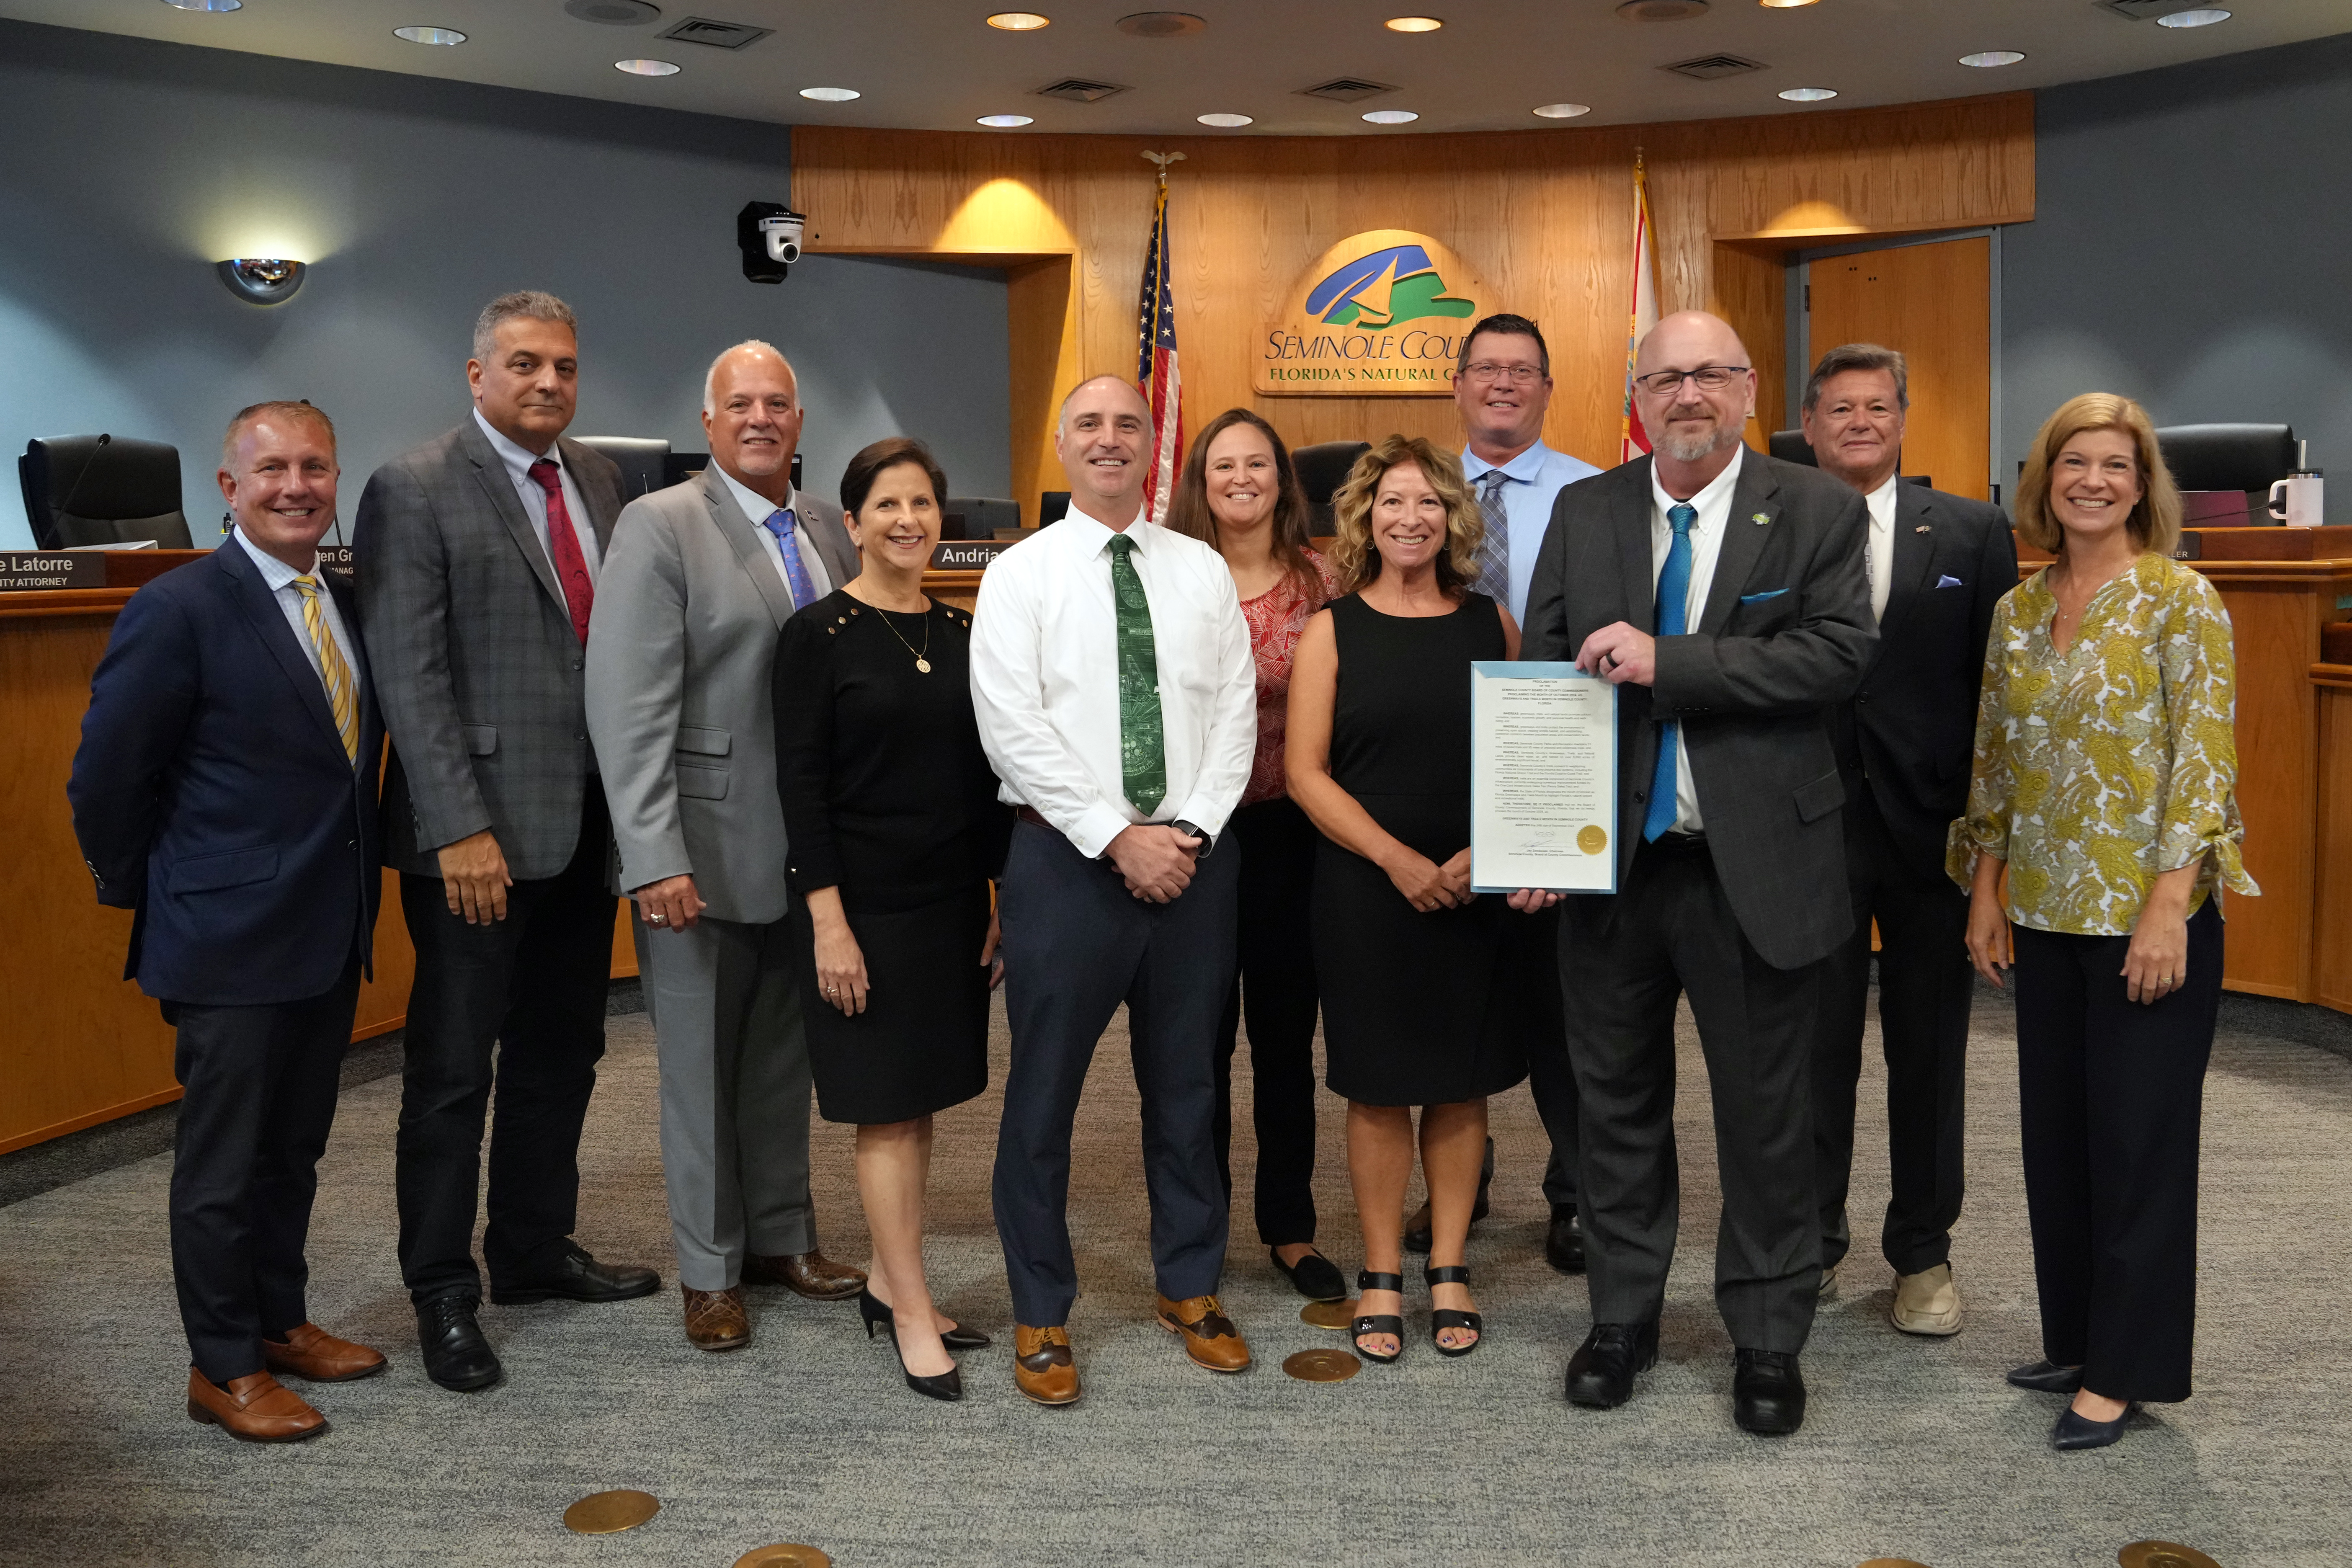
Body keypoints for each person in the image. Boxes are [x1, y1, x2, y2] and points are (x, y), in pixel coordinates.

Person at [1521, 309, 1877, 1435]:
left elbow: (1836, 654)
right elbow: (1545, 670)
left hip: (1757, 868)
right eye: (1667, 377)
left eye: (1710, 375)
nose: (1689, 395)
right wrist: (1536, 831)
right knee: (1613, 1105)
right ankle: (1622, 1316)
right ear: (1638, 394)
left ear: (1747, 387)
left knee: (1766, 1114)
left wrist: (1670, 661)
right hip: (1614, 868)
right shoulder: (1588, 512)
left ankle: (1768, 1336)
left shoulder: (1815, 504)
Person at [354, 291, 658, 1393]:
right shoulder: (414, 484)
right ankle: (442, 1291)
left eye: (566, 367)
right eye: (525, 364)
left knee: (560, 1054)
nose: (549, 384)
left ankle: (531, 1250)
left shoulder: (603, 482)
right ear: (476, 373)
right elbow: (410, 674)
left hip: (581, 831)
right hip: (472, 842)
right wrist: (457, 829)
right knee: (449, 1075)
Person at [70, 402, 387, 1442]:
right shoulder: (179, 607)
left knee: (292, 1150)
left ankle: (280, 1323)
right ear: (227, 488)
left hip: (326, 926)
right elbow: (107, 781)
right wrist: (163, 893)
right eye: (272, 470)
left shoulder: (343, 596)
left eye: (315, 467)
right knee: (222, 1167)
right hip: (225, 938)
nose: (296, 486)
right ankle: (223, 1366)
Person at [1955, 392, 2254, 1452]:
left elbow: (2203, 764)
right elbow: (1997, 759)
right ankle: (2079, 1337)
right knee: (2061, 1143)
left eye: (2116, 467)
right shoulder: (2019, 610)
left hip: (2147, 919)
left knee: (2139, 1148)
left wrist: (2171, 904)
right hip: (2043, 912)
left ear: (2142, 485)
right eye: (2074, 462)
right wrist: (1985, 890)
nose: (2093, 481)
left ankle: (2125, 1371)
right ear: (2046, 480)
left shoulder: (2182, 598)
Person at [970, 374, 1258, 1405]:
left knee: (1188, 1091)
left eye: (1127, 425)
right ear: (1061, 443)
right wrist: (1115, 837)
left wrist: (1186, 832)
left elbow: (1235, 717)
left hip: (1193, 863)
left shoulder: (1201, 573)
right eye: (1089, 424)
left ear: (1153, 443)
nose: (1108, 440)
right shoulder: (1019, 573)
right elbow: (1013, 727)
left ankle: (1190, 1283)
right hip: (1063, 866)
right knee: (1043, 1098)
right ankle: (1041, 1310)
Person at [584, 340, 867, 1355]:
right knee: (699, 1070)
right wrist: (653, 854)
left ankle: (781, 1239)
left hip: (805, 856)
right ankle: (709, 1269)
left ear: (799, 422)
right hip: (697, 854)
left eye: (778, 403)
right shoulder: (659, 526)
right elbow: (625, 705)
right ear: (707, 425)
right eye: (739, 403)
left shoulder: (831, 527)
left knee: (783, 1060)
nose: (760, 418)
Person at [775, 437, 1014, 1402]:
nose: (907, 521)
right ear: (851, 522)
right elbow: (801, 789)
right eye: (887, 506)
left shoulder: (962, 635)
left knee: (919, 1108)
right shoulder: (816, 635)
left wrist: (997, 896)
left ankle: (888, 1278)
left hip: (949, 906)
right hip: (858, 910)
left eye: (922, 504)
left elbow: (984, 782)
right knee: (882, 1113)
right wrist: (827, 921)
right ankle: (911, 1309)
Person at [1287, 435, 1533, 1364]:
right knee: (1380, 1087)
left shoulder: (1492, 626)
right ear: (1363, 517)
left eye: (1428, 502)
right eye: (1392, 502)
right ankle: (1384, 1271)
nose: (1410, 518)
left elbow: (1520, 756)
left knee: (1463, 1083)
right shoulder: (1332, 629)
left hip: (1472, 888)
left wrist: (1486, 853)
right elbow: (1307, 775)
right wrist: (1398, 860)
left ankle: (1452, 1266)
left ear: (1453, 519)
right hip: (1367, 888)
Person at [1798, 343, 2017, 1334]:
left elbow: (1996, 700)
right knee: (1813, 1048)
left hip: (1930, 835)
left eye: (1878, 406)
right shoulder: (1771, 527)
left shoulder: (1973, 533)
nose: (1859, 421)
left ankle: (1923, 1256)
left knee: (1927, 1052)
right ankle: (1809, 1240)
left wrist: (1989, 859)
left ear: (1903, 419)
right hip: (1807, 829)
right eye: (1840, 408)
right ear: (1809, 426)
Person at [1427, 311, 1604, 1274]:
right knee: (1453, 990)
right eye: (1486, 369)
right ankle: (1462, 1175)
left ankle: (1576, 1191)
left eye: (1522, 371)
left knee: (1557, 1003)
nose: (1503, 384)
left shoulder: (1597, 493)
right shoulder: (1410, 491)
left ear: (1546, 388)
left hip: (1547, 766)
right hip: (1426, 770)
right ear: (1457, 385)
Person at [1163, 408, 1344, 1305]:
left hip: (1295, 838)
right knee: (1196, 1045)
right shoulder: (1167, 575)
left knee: (1283, 1042)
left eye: (1258, 464)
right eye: (1223, 465)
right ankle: (1200, 1231)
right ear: (1201, 479)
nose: (1241, 479)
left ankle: (1289, 1227)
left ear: (1282, 478)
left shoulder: (1330, 577)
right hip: (1196, 836)